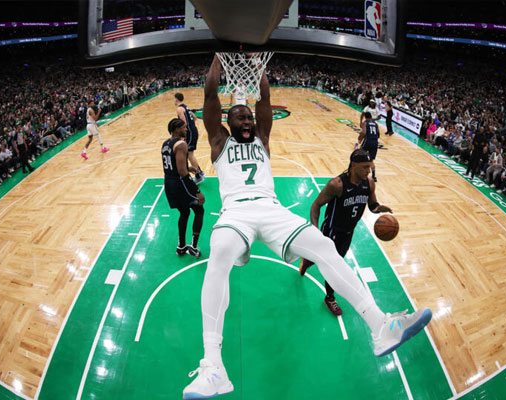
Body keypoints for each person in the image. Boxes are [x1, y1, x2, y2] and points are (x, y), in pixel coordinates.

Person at [182, 55, 431, 399]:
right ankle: (214, 367)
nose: (247, 120)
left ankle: (381, 326)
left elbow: (264, 100)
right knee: (219, 254)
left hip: (271, 209)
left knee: (325, 248)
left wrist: (258, 68)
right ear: (226, 121)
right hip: (235, 213)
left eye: (250, 117)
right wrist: (217, 59)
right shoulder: (219, 143)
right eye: (240, 115)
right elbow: (210, 96)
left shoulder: (262, 140)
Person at [299, 149, 393, 316]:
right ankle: (329, 298)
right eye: (365, 167)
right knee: (334, 267)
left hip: (348, 233)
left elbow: (372, 205)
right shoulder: (336, 185)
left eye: (370, 167)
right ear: (353, 165)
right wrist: (315, 231)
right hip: (331, 233)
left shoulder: (369, 183)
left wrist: (378, 208)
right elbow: (315, 206)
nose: (368, 171)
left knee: (330, 261)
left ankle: (308, 260)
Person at [162, 118, 205, 257]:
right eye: (184, 127)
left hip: (169, 182)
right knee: (199, 210)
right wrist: (197, 191)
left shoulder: (165, 144)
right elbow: (181, 172)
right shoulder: (181, 144)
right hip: (180, 183)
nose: (186, 129)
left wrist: (189, 167)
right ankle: (193, 246)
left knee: (184, 213)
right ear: (176, 129)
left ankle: (181, 246)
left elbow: (173, 165)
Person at [175, 93, 205, 184]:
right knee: (189, 154)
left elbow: (183, 123)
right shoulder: (186, 107)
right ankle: (200, 172)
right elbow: (195, 118)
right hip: (193, 131)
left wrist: (183, 136)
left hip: (189, 132)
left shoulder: (179, 109)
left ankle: (198, 176)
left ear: (176, 99)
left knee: (189, 154)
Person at [358, 112, 380, 182]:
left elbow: (364, 132)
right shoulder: (375, 124)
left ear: (365, 117)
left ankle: (359, 172)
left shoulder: (365, 123)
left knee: (360, 155)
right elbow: (378, 134)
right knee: (371, 160)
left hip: (368, 141)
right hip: (375, 142)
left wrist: (359, 139)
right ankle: (374, 176)